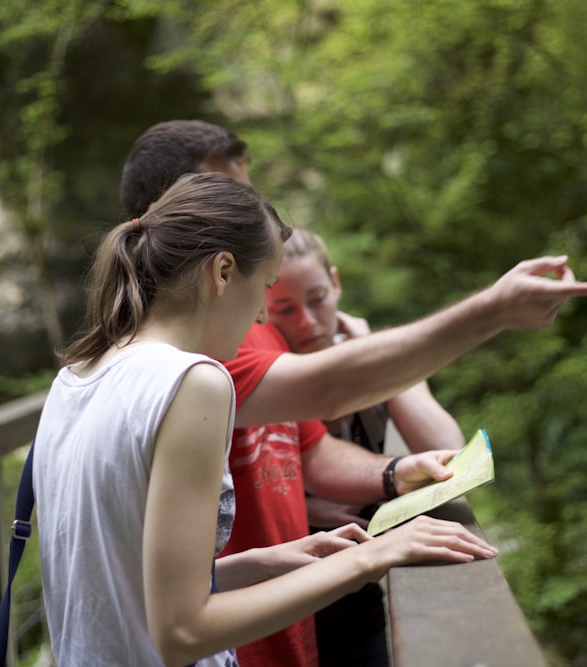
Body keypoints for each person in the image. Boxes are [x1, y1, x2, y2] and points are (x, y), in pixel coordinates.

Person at [120, 120, 587, 667]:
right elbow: (329, 388)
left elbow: (309, 448)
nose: (253, 212)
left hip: (288, 631)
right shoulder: (193, 365)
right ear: (183, 213)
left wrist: (393, 474)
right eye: (233, 196)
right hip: (233, 639)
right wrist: (492, 311)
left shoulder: (232, 335)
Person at [33, 171, 498, 667]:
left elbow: (123, 589)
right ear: (224, 272)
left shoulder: (78, 376)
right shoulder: (192, 381)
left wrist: (275, 561)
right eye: (267, 287)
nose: (260, 318)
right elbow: (181, 633)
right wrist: (373, 555)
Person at [267, 227, 466, 666]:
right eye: (284, 309)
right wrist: (307, 508)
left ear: (336, 284)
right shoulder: (261, 379)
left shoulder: (366, 362)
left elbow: (450, 455)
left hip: (357, 594)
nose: (307, 322)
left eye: (317, 299)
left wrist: (380, 356)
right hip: (276, 597)